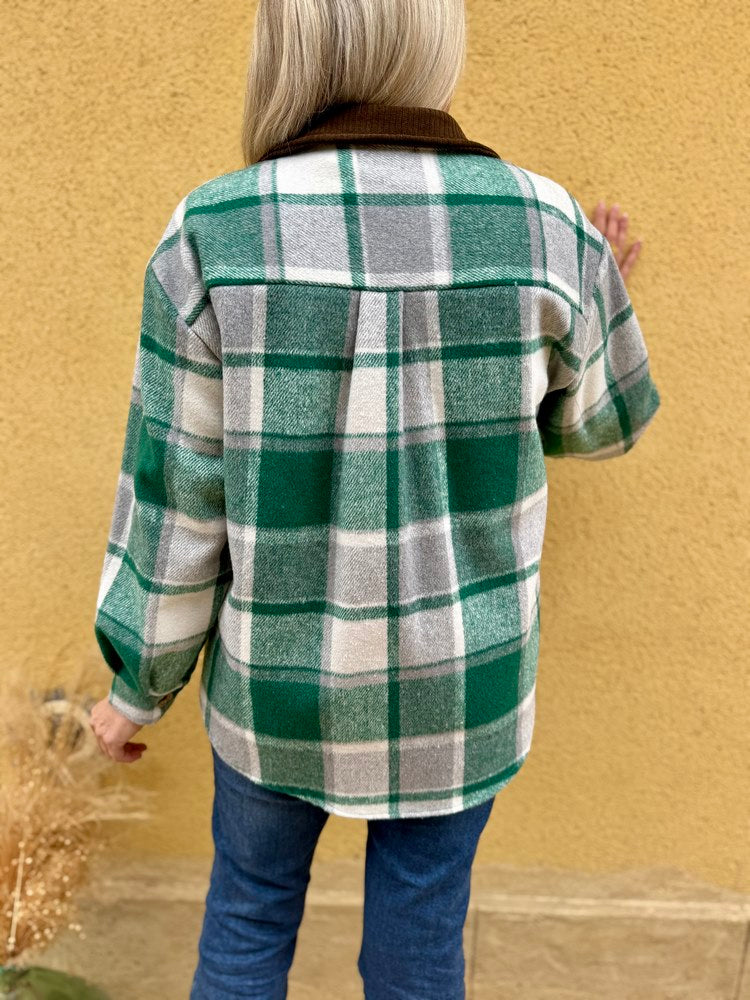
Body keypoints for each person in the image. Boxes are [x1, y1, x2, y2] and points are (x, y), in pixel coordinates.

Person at [88, 1, 661, 997]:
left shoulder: (213, 232)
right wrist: (596, 288)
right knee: (420, 945)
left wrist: (134, 688)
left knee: (248, 915)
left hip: (277, 686)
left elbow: (179, 502)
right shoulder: (546, 226)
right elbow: (603, 423)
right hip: (462, 687)